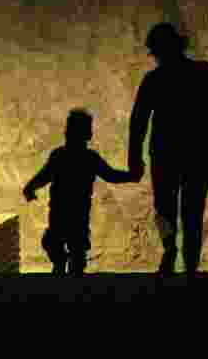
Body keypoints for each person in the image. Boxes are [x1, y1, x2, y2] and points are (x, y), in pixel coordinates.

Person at [128, 23, 208, 277]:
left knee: (165, 209)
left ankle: (169, 250)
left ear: (156, 51)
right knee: (192, 212)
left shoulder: (154, 79)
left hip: (164, 154)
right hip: (198, 154)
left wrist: (135, 159)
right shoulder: (202, 72)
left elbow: (138, 122)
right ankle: (190, 268)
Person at [23, 108, 139, 276]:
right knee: (63, 246)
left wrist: (30, 188)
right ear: (89, 134)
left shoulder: (66, 156)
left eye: (72, 129)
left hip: (66, 213)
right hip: (70, 214)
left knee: (63, 247)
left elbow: (44, 176)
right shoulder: (81, 157)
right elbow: (111, 175)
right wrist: (131, 176)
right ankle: (65, 268)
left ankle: (62, 267)